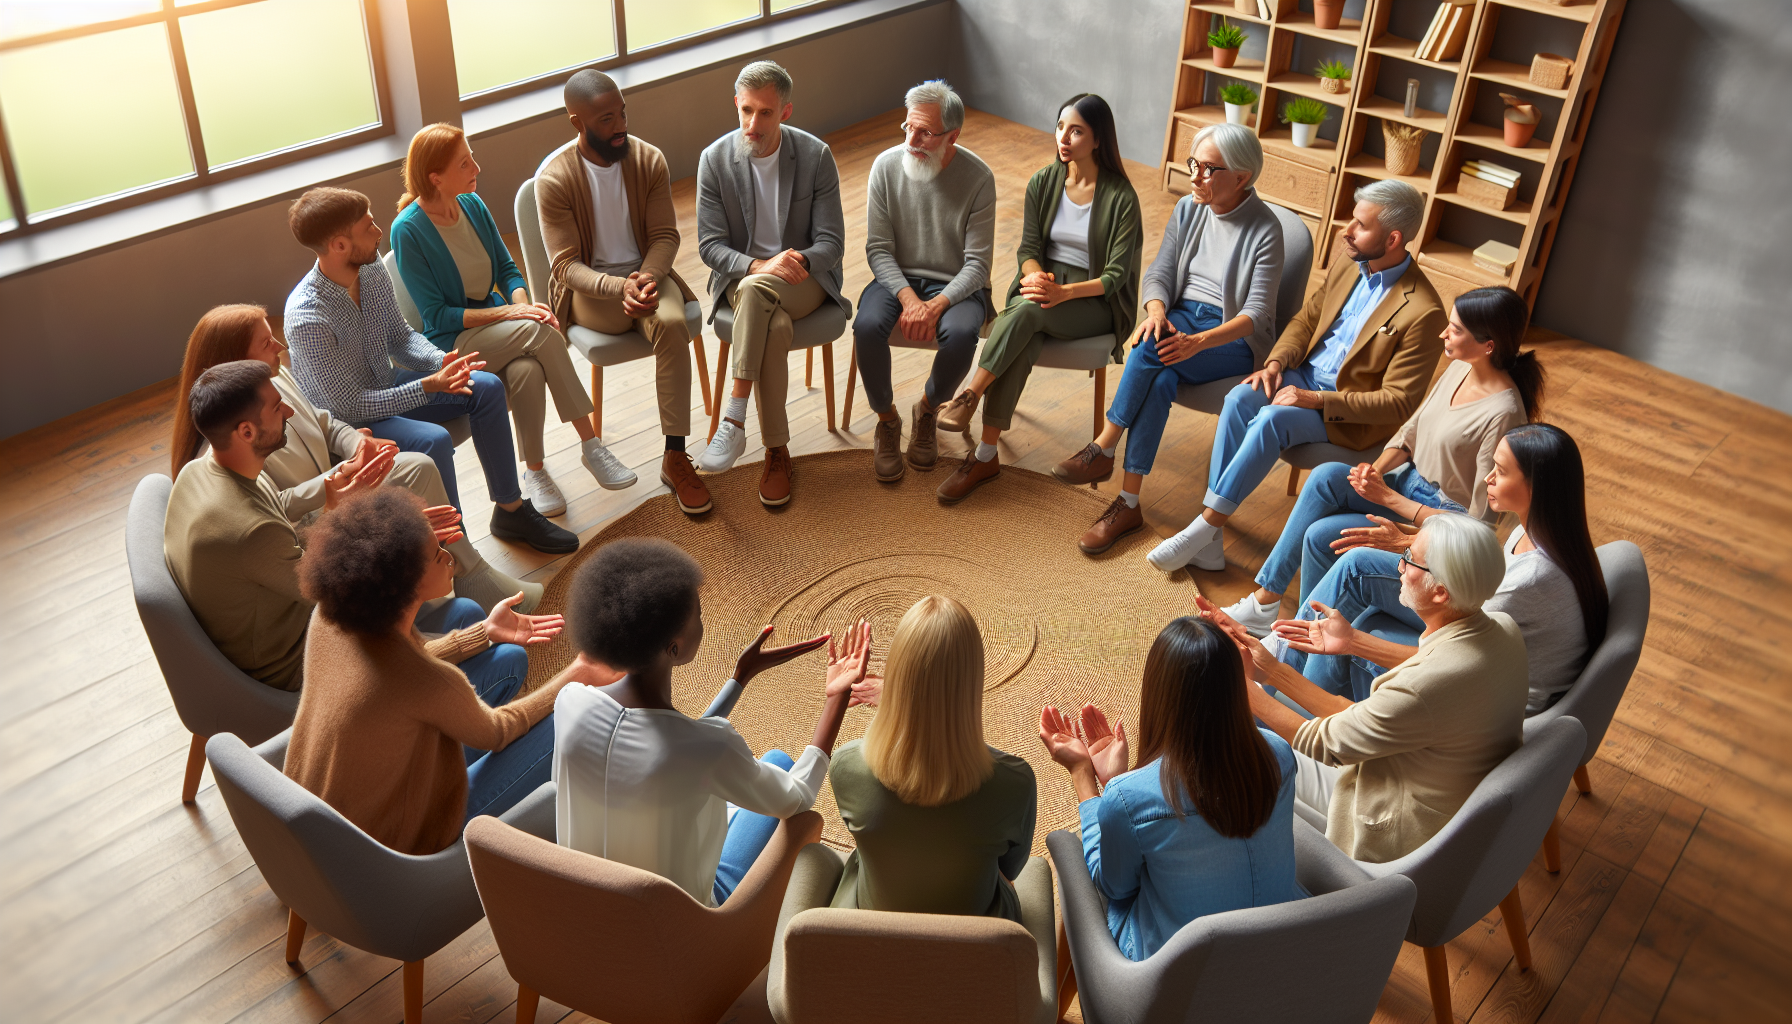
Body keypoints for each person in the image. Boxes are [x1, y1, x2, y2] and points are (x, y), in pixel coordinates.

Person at [163, 361, 529, 696]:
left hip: (294, 619)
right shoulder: (249, 530)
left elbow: (289, 553)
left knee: (464, 611)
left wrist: (357, 516)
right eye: (277, 408)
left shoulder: (202, 471)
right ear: (246, 431)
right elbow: (340, 594)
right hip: (300, 664)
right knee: (508, 660)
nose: (290, 411)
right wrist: (400, 539)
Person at [552, 539, 876, 905]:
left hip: (586, 912)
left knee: (730, 781)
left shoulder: (570, 703)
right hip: (687, 927)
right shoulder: (709, 748)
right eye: (699, 616)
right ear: (674, 647)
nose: (703, 622)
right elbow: (796, 797)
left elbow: (670, 742)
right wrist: (837, 696)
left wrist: (740, 677)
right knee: (780, 765)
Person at [1147, 180, 1446, 574]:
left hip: (1344, 412)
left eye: (1359, 225)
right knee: (1239, 398)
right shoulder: (1350, 264)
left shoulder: (1424, 311)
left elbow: (1398, 402)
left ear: (1392, 239)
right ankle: (1211, 539)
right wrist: (1275, 363)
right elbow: (1307, 320)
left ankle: (1205, 525)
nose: (1346, 231)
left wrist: (1315, 401)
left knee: (1273, 418)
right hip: (1300, 375)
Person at [168, 304, 541, 612]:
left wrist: (355, 446)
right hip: (311, 520)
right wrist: (336, 479)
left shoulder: (275, 382)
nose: (280, 346)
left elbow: (325, 421)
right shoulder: (239, 442)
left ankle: (467, 572)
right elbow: (276, 514)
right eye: (267, 342)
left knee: (419, 465)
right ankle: (428, 600)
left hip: (336, 486)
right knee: (425, 458)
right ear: (234, 364)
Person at [1221, 286, 1541, 633]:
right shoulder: (1460, 368)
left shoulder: (1504, 414)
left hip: (1442, 522)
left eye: (1456, 329)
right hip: (1406, 482)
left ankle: (1303, 633)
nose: (1443, 333)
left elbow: (1478, 527)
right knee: (1328, 475)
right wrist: (1372, 472)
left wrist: (1387, 497)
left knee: (1318, 536)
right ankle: (1272, 605)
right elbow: (1409, 433)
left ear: (1488, 345)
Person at [283, 187, 578, 555]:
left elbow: (401, 337)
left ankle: (510, 511)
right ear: (340, 245)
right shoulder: (308, 317)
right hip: (351, 424)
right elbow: (349, 405)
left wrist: (443, 362)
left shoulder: (370, 267)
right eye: (369, 225)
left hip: (386, 386)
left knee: (484, 387)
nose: (379, 231)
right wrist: (427, 387)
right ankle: (459, 549)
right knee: (432, 440)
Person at [1217, 513, 1527, 863]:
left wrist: (1243, 692)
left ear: (1440, 592)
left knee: (1234, 753)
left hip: (1393, 826)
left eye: (1410, 559)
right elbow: (1363, 718)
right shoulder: (1502, 629)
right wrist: (1271, 671)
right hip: (1440, 796)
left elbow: (1326, 743)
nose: (1399, 565)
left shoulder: (1425, 686)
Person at [282, 488, 570, 856]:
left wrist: (485, 633)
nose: (450, 558)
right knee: (562, 720)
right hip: (392, 851)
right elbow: (497, 731)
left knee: (499, 648)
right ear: (407, 582)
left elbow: (397, 672)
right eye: (437, 556)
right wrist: (577, 674)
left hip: (314, 823)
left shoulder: (327, 617)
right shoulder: (426, 682)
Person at [1052, 124, 1284, 552]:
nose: (1195, 175)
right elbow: (1159, 272)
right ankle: (1128, 502)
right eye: (1194, 163)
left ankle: (1104, 446)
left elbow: (1256, 315)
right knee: (1157, 372)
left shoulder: (1266, 231)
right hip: (1179, 317)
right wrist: (1156, 310)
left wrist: (1198, 342)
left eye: (1208, 168)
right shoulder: (1188, 208)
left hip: (1229, 338)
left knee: (1148, 349)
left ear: (1242, 177)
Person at [1270, 423, 1608, 711]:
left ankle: (1288, 701)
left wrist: (1353, 641)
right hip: (1483, 641)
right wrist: (1412, 541)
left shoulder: (1528, 582)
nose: (1488, 478)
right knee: (1357, 567)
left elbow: (1451, 659)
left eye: (1501, 472)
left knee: (1366, 622)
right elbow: (1484, 554)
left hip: (1494, 696)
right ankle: (1285, 668)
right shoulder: (1544, 532)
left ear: (1539, 488)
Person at [390, 122, 635, 514]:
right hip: (452, 343)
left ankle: (534, 471)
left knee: (527, 370)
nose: (477, 168)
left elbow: (507, 269)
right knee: (539, 334)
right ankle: (591, 445)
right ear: (436, 177)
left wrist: (527, 304)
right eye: (465, 163)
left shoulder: (472, 204)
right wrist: (516, 312)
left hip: (499, 327)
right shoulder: (407, 231)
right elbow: (437, 314)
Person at [1038, 616, 1304, 961]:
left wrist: (1084, 776)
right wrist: (1120, 783)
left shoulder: (1127, 800)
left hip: (1181, 980)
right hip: (1282, 953)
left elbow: (1113, 886)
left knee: (1091, 878)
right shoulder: (1279, 754)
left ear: (1159, 697)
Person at [934, 94, 1142, 505]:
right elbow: (1027, 250)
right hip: (1044, 287)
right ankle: (985, 455)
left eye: (1076, 130)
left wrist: (1062, 292)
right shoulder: (1044, 182)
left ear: (1098, 139)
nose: (1064, 137)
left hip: (1093, 300)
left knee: (1028, 312)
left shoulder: (1122, 198)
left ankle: (969, 396)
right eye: (1060, 126)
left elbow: (1116, 276)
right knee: (1024, 334)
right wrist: (1036, 279)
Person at [536, 69, 711, 516]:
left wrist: (647, 279)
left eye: (622, 113)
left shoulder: (649, 159)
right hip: (593, 292)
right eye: (607, 119)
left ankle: (675, 456)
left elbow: (665, 236)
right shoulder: (554, 179)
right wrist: (620, 287)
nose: (620, 126)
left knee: (673, 324)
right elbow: (564, 266)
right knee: (650, 313)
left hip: (647, 277)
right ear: (577, 122)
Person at [693, 61, 850, 506]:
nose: (752, 123)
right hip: (744, 277)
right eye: (745, 110)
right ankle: (777, 452)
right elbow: (710, 246)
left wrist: (792, 259)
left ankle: (735, 417)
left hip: (803, 278)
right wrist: (759, 265)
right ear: (736, 105)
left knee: (756, 293)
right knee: (769, 319)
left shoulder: (815, 156)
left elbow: (832, 243)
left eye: (765, 113)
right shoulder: (714, 160)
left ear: (786, 111)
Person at [828, 596, 1037, 922]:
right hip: (976, 949)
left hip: (870, 942)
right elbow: (1008, 868)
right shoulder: (1015, 782)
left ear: (896, 673)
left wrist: (907, 698)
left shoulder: (845, 766)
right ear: (974, 681)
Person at [849, 81, 997, 483]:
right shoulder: (885, 166)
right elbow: (878, 248)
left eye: (925, 133)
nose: (912, 140)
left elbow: (978, 265)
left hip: (957, 284)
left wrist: (936, 304)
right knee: (865, 325)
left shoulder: (979, 178)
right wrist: (910, 298)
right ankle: (888, 419)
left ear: (953, 136)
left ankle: (928, 409)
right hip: (898, 277)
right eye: (908, 128)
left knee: (964, 332)